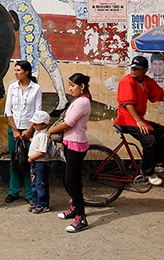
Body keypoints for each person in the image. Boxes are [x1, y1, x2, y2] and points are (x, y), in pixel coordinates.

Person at [113, 56, 164, 186]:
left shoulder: (148, 82)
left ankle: (159, 163)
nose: (133, 70)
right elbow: (128, 105)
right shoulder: (127, 81)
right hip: (126, 119)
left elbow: (160, 95)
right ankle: (147, 172)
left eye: (137, 68)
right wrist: (138, 121)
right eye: (132, 67)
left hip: (137, 119)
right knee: (150, 142)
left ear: (145, 70)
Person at [47, 73, 92, 233]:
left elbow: (68, 123)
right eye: (70, 85)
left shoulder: (82, 102)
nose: (70, 88)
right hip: (69, 143)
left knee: (72, 181)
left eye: (73, 85)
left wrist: (50, 130)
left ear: (82, 86)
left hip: (76, 145)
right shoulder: (78, 100)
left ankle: (82, 218)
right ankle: (74, 208)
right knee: (67, 179)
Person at [3, 60, 43, 203]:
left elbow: (37, 111)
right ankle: (13, 191)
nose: (16, 73)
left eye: (19, 70)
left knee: (29, 160)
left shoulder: (36, 89)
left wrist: (29, 130)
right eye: (15, 70)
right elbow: (8, 111)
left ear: (26, 72)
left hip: (30, 130)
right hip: (14, 130)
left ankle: (29, 193)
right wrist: (14, 130)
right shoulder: (12, 88)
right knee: (14, 160)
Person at [27, 109, 52, 213]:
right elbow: (35, 143)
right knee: (34, 183)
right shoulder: (38, 133)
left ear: (43, 125)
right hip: (35, 164)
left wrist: (32, 157)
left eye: (36, 124)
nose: (34, 125)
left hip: (40, 163)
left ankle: (43, 204)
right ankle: (35, 202)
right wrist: (29, 139)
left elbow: (42, 151)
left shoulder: (43, 136)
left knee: (40, 184)